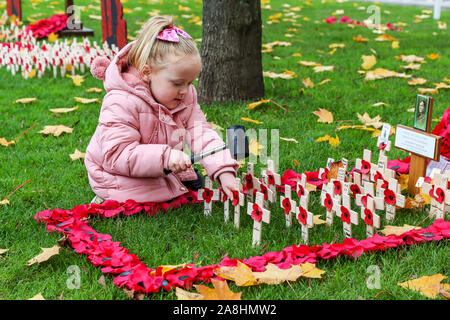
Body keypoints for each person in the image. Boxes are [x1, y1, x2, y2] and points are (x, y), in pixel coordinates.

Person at [85, 15, 238, 203]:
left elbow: (201, 133)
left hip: (163, 166)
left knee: (189, 185)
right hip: (117, 174)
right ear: (147, 73)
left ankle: (168, 183)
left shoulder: (185, 95)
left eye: (190, 82)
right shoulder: (120, 101)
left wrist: (224, 171)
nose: (185, 91)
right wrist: (165, 157)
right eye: (178, 83)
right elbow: (117, 155)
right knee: (143, 196)